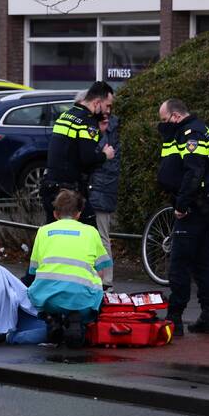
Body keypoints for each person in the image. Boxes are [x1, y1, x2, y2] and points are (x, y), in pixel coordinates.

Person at [157, 98, 209, 335]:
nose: (163, 125)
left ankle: (175, 317)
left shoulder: (191, 134)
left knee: (180, 264)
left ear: (175, 116)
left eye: (164, 120)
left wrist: (182, 205)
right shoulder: (202, 130)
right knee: (203, 261)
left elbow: (193, 173)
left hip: (193, 207)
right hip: (205, 206)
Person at [27, 189, 112, 347]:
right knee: (94, 288)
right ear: (79, 214)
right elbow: (102, 271)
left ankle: (52, 318)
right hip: (82, 300)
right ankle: (77, 317)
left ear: (55, 214)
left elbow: (33, 271)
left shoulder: (43, 232)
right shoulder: (91, 232)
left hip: (47, 298)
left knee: (38, 289)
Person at [41, 82, 115, 226]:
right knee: (89, 231)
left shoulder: (66, 115)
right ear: (97, 103)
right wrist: (105, 155)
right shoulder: (88, 122)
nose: (108, 111)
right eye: (108, 106)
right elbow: (87, 159)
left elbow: (68, 150)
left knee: (54, 236)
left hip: (50, 188)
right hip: (69, 195)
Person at [88, 111, 120, 291]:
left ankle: (106, 280)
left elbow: (106, 163)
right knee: (100, 235)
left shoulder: (107, 133)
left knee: (101, 235)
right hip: (100, 188)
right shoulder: (110, 129)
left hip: (100, 189)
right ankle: (103, 279)